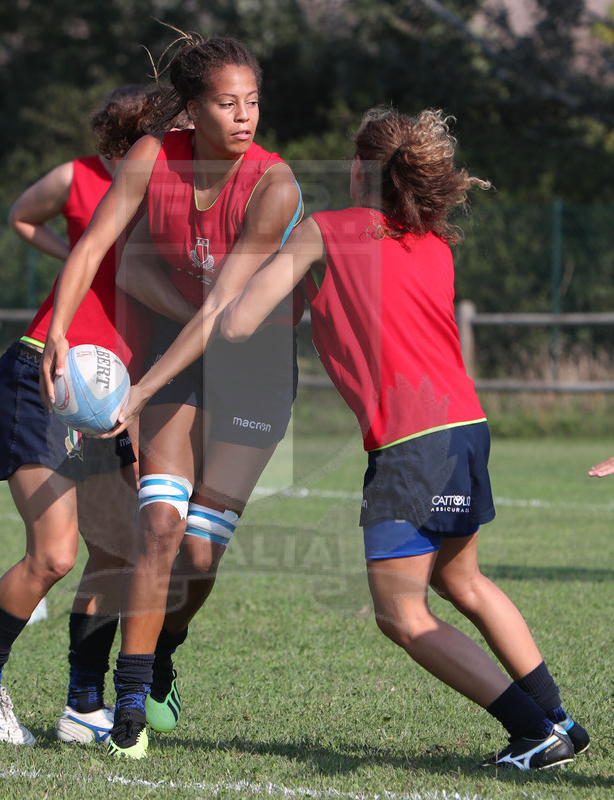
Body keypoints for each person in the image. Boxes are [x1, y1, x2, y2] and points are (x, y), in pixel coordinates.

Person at [221, 107, 589, 770]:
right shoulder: (434, 244)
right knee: (462, 581)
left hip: (412, 442)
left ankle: (535, 732)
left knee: (401, 616)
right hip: (466, 428)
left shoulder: (325, 230)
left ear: (359, 169)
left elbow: (239, 322)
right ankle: (558, 717)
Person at [41, 33, 303, 759]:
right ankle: (129, 705)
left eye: (252, 102)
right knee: (158, 524)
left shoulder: (275, 185)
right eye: (226, 103)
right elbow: (95, 246)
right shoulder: (153, 156)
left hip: (253, 370)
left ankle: (162, 653)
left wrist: (137, 393)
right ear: (191, 107)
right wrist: (59, 328)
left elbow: (222, 313)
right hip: (179, 356)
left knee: (199, 553)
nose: (243, 116)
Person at [0, 85, 195, 746]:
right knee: (54, 553)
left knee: (115, 552)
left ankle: (84, 704)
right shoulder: (109, 193)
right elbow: (41, 227)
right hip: (46, 373)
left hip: (107, 395)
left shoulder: (169, 209)